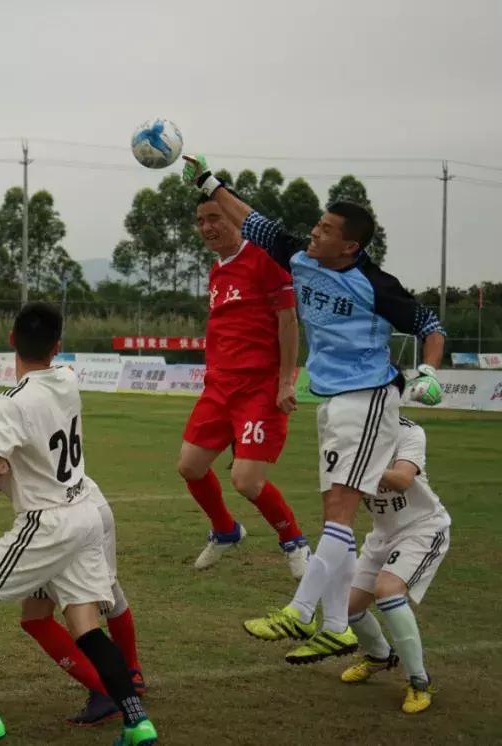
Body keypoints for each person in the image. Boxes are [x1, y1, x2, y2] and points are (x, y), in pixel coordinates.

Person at [181, 155, 446, 664]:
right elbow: (248, 216)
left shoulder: (375, 284)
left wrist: (429, 372)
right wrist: (207, 181)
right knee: (337, 520)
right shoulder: (298, 257)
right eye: (316, 225)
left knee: (340, 517)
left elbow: (429, 323)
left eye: (324, 230)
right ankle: (335, 627)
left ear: (349, 246)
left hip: (369, 397)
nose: (313, 233)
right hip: (333, 401)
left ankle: (301, 612)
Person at [0, 303, 157, 746]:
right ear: (57, 347)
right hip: (84, 512)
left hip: (47, 521)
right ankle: (137, 721)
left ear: (11, 340)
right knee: (85, 624)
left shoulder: (14, 403)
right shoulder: (69, 380)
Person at [178, 192, 310, 578]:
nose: (207, 227)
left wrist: (286, 381)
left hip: (258, 388)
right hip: (219, 388)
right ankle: (225, 530)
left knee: (246, 480)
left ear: (237, 219)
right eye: (201, 220)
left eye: (215, 217)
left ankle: (294, 541)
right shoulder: (217, 269)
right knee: (190, 466)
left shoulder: (265, 259)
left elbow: (288, 322)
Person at [340, 415, 450, 713]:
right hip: (382, 534)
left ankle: (419, 681)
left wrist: (357, 463)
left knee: (387, 590)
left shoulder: (409, 431)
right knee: (346, 608)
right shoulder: (348, 432)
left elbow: (402, 480)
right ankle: (379, 655)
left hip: (422, 528)